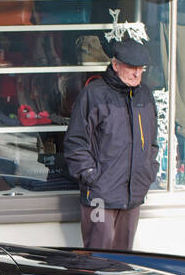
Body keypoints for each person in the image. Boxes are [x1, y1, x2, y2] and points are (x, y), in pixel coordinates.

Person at [63, 38, 159, 250]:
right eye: (132, 67)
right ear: (115, 65)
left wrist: (148, 171)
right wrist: (90, 175)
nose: (137, 74)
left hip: (133, 195)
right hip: (100, 196)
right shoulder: (94, 94)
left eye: (141, 68)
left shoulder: (145, 95)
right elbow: (75, 142)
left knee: (124, 265)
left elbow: (152, 142)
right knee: (98, 262)